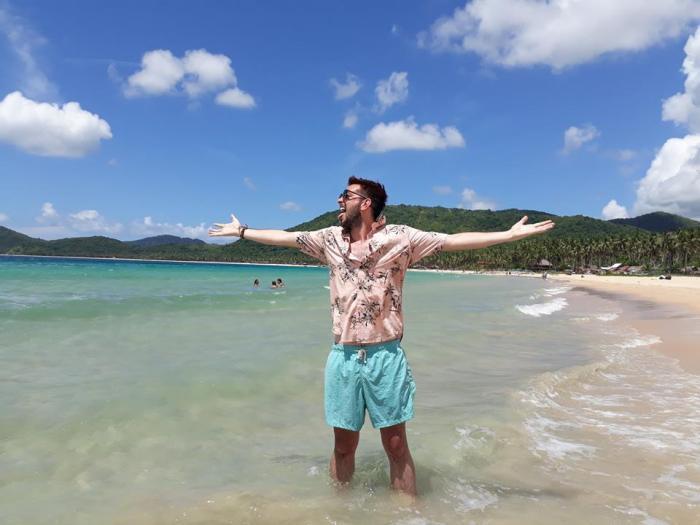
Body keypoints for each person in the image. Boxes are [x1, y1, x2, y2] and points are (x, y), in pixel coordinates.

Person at [209, 176, 555, 496]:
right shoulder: (329, 239)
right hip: (343, 356)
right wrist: (243, 232)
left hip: (385, 356)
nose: (339, 200)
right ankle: (339, 510)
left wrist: (508, 235)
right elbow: (286, 237)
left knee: (396, 445)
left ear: (366, 203)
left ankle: (407, 514)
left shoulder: (402, 239)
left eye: (346, 195)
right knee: (343, 446)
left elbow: (451, 241)